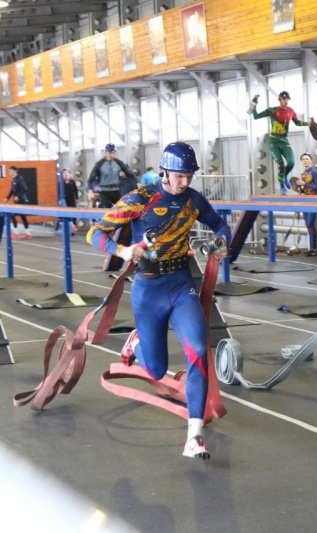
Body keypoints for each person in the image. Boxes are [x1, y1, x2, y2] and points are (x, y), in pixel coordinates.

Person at [87, 142, 231, 460]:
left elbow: (220, 224)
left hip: (181, 285)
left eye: (189, 175)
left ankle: (194, 438)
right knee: (156, 369)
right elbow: (96, 232)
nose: (185, 182)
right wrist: (122, 251)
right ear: (165, 171)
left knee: (197, 352)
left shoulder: (193, 200)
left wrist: (221, 242)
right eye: (179, 176)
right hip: (148, 289)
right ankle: (135, 344)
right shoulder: (141, 198)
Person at [247, 91, 315, 195]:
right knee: (281, 165)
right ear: (280, 99)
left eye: (287, 99)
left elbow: (297, 123)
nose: (286, 100)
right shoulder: (272, 110)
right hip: (274, 141)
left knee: (291, 162)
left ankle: (284, 176)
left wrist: (308, 123)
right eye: (283, 99)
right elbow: (256, 116)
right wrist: (254, 105)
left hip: (284, 140)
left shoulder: (291, 111)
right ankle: (282, 187)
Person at [87, 143, 135, 208]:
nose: (112, 155)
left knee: (121, 208)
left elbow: (130, 175)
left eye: (113, 153)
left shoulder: (118, 163)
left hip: (116, 191)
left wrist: (137, 183)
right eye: (110, 153)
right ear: (106, 153)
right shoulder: (99, 164)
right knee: (109, 209)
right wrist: (90, 191)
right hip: (104, 191)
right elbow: (91, 179)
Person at [296, 152, 317, 256]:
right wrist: (298, 188)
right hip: (305, 200)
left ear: (311, 160)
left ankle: (313, 248)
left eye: (307, 159)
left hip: (313, 200)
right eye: (303, 159)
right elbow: (304, 188)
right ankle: (312, 248)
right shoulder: (304, 173)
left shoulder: (314, 172)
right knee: (308, 225)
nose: (305, 161)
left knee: (309, 224)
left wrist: (305, 184)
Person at [3, 166, 31, 239]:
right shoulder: (13, 180)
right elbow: (12, 190)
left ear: (15, 171)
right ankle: (26, 233)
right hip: (17, 201)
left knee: (15, 215)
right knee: (21, 216)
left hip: (21, 201)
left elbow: (25, 188)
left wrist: (18, 196)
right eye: (9, 171)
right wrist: (7, 198)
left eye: (10, 171)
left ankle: (17, 233)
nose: (9, 172)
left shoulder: (19, 179)